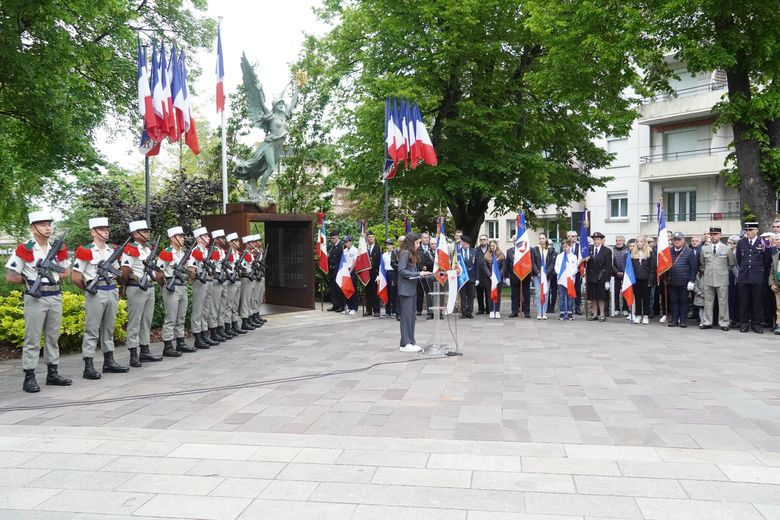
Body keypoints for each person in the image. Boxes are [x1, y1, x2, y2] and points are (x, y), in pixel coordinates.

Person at [5, 210, 73, 392]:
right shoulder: (25, 248)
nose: (48, 228)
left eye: (49, 224)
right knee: (33, 338)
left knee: (53, 337)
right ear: (33, 228)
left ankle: (53, 373)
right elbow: (11, 276)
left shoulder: (57, 248)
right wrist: (31, 281)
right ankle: (29, 377)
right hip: (36, 297)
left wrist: (52, 276)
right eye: (43, 225)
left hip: (55, 295)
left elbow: (65, 271)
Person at [72, 217, 128, 379]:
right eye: (102, 229)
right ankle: (88, 365)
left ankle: (109, 361)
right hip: (96, 291)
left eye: (107, 229)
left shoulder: (111, 251)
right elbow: (76, 277)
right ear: (93, 232)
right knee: (92, 329)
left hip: (111, 289)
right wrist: (89, 289)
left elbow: (117, 272)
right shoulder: (86, 251)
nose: (106, 232)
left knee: (109, 328)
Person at [121, 220, 166, 364]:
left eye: (148, 231)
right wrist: (126, 285)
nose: (148, 234)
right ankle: (133, 352)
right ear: (135, 234)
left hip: (149, 286)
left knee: (146, 320)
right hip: (136, 287)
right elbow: (125, 271)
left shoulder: (147, 250)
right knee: (135, 321)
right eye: (144, 231)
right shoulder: (131, 248)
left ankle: (145, 350)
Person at [157, 226, 196, 354]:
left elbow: (189, 271)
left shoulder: (183, 253)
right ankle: (168, 345)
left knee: (181, 317)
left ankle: (180, 342)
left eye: (182, 236)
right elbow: (159, 273)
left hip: (182, 285)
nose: (182, 238)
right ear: (172, 238)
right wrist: (164, 285)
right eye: (180, 236)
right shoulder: (167, 252)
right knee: (170, 318)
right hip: (171, 286)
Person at [397, 232, 432, 352]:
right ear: (411, 243)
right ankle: (405, 343)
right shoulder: (405, 253)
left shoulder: (411, 254)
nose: (418, 245)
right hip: (406, 290)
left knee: (411, 317)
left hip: (411, 288)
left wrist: (422, 274)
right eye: (417, 243)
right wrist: (418, 273)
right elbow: (401, 270)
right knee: (406, 317)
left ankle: (411, 341)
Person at [699, 227, 736, 331]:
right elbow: (702, 263)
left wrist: (723, 271)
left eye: (715, 234)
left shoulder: (727, 249)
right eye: (711, 234)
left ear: (720, 235)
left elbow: (732, 263)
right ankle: (707, 322)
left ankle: (724, 323)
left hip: (722, 279)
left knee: (723, 302)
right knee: (708, 302)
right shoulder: (704, 249)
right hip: (708, 278)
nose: (713, 236)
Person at [736, 222, 770, 333]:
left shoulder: (763, 242)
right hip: (744, 276)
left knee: (757, 302)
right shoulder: (741, 242)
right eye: (747, 230)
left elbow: (766, 261)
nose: (748, 232)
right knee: (744, 302)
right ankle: (744, 323)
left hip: (757, 276)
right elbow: (739, 259)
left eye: (751, 230)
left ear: (757, 230)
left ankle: (756, 324)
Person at [189, 227, 218, 349]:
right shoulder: (195, 251)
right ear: (199, 238)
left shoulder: (206, 251)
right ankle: (197, 337)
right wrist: (195, 276)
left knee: (206, 310)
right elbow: (191, 269)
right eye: (206, 236)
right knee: (198, 310)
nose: (208, 238)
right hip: (200, 282)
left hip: (209, 281)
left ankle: (204, 334)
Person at [667, 232, 697, 327]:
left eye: (679, 239)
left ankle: (683, 321)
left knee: (684, 301)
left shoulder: (689, 252)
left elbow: (693, 267)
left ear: (683, 240)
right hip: (672, 281)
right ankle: (674, 320)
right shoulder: (669, 252)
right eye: (675, 240)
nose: (677, 241)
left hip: (684, 282)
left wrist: (691, 280)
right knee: (673, 301)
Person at [586, 232, 613, 321]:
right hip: (591, 276)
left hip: (602, 277)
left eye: (598, 239)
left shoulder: (607, 251)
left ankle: (602, 314)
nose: (596, 241)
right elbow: (586, 264)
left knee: (601, 297)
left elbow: (608, 266)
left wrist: (607, 280)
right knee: (593, 297)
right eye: (594, 239)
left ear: (601, 240)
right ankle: (594, 314)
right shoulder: (589, 249)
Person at [502, 235, 530, 318]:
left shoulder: (526, 250)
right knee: (514, 295)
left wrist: (531, 274)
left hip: (525, 275)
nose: (515, 241)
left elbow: (530, 262)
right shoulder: (509, 251)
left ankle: (527, 311)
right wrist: (507, 277)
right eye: (514, 240)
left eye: (517, 240)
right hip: (514, 275)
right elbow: (507, 265)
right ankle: (514, 311)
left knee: (526, 294)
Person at [223, 232, 246, 336]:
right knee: (229, 305)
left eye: (238, 240)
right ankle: (227, 326)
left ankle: (235, 324)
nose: (238, 242)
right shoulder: (227, 253)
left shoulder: (238, 254)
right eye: (236, 241)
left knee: (235, 304)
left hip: (237, 280)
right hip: (231, 280)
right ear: (231, 243)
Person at [630, 235, 656, 324]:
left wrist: (651, 280)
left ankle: (645, 315)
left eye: (641, 241)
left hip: (646, 279)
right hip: (636, 279)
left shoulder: (650, 253)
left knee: (646, 298)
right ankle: (638, 314)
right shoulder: (633, 253)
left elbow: (652, 268)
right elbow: (630, 267)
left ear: (644, 243)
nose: (639, 243)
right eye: (638, 241)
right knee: (637, 298)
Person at [531, 232, 555, 320]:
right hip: (537, 275)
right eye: (540, 238)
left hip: (546, 275)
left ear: (546, 239)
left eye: (543, 238)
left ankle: (544, 312)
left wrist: (546, 273)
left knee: (545, 293)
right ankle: (539, 312)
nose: (541, 240)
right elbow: (533, 262)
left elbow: (552, 263)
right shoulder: (534, 249)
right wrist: (538, 272)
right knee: (538, 293)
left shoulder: (550, 250)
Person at [554, 239, 577, 320]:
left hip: (570, 279)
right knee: (562, 296)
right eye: (563, 247)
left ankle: (570, 312)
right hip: (561, 279)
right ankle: (562, 312)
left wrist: (570, 274)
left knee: (570, 296)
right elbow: (556, 267)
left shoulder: (573, 256)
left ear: (570, 246)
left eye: (566, 246)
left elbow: (575, 268)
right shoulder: (559, 256)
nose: (565, 248)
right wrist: (560, 273)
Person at [238, 235, 258, 331]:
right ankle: (245, 321)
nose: (254, 244)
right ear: (247, 244)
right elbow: (243, 267)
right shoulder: (245, 254)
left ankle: (249, 319)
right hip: (246, 279)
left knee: (250, 300)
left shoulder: (250, 254)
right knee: (246, 301)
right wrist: (247, 273)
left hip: (251, 278)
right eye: (252, 242)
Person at [482, 240, 505, 318]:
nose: (492, 247)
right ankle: (492, 310)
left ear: (496, 246)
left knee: (498, 294)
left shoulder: (501, 255)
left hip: (498, 278)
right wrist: (490, 275)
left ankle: (497, 311)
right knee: (490, 294)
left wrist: (498, 275)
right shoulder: (486, 255)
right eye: (491, 245)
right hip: (489, 279)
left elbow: (503, 267)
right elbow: (485, 266)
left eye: (494, 245)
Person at [459, 235, 479, 318]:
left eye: (466, 243)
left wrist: (477, 278)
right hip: (462, 278)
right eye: (463, 242)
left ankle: (469, 312)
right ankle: (463, 312)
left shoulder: (474, 251)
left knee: (471, 296)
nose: (465, 244)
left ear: (469, 243)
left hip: (472, 277)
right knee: (463, 296)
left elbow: (477, 265)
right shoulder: (458, 252)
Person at [417, 231, 435, 317]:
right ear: (421, 239)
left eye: (428, 238)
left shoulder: (431, 249)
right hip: (420, 273)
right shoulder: (417, 249)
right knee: (420, 292)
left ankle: (430, 310)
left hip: (430, 273)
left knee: (429, 292)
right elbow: (416, 261)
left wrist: (427, 266)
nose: (427, 239)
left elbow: (433, 261)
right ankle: (418, 309)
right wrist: (421, 267)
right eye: (425, 238)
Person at [365, 230, 383, 317]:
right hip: (367, 274)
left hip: (375, 273)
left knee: (375, 292)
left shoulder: (378, 248)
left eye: (372, 237)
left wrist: (379, 274)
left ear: (374, 238)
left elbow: (380, 262)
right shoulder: (365, 249)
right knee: (367, 292)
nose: (370, 238)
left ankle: (376, 310)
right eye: (369, 237)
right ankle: (368, 310)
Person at [612, 235, 630, 317]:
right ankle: (616, 308)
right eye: (617, 240)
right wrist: (616, 272)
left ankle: (625, 308)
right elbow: (611, 263)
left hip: (626, 275)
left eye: (620, 240)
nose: (618, 242)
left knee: (625, 291)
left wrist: (624, 272)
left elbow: (629, 263)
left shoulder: (628, 250)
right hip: (615, 275)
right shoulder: (612, 250)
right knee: (616, 292)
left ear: (623, 241)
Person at [567, 230, 584, 315]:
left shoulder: (579, 246)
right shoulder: (565, 246)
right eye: (573, 236)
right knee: (569, 290)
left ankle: (577, 308)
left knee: (577, 290)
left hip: (577, 271)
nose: (575, 238)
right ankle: (569, 308)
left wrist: (576, 267)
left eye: (576, 236)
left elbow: (581, 258)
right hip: (567, 272)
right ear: (568, 237)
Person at [327, 230, 344, 312]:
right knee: (333, 288)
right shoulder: (332, 247)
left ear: (337, 237)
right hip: (332, 270)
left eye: (333, 238)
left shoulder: (341, 247)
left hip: (338, 271)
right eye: (331, 238)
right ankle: (335, 304)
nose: (332, 240)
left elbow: (342, 260)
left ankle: (341, 306)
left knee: (338, 289)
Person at [475, 234, 491, 314]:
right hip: (479, 275)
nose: (482, 241)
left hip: (488, 274)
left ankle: (488, 308)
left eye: (484, 239)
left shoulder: (491, 249)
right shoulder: (476, 250)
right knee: (479, 293)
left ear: (487, 240)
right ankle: (481, 308)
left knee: (488, 293)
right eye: (481, 240)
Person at [768, 234, 780, 334]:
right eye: (776, 240)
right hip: (777, 283)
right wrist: (771, 283)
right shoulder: (774, 254)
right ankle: (779, 324)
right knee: (779, 307)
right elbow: (772, 270)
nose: (778, 241)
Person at [382, 238, 397, 317]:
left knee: (393, 292)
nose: (388, 246)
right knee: (387, 292)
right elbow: (382, 266)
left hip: (393, 273)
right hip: (386, 273)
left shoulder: (395, 253)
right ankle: (387, 311)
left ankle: (394, 310)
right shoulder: (384, 255)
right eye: (387, 245)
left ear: (393, 245)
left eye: (389, 245)